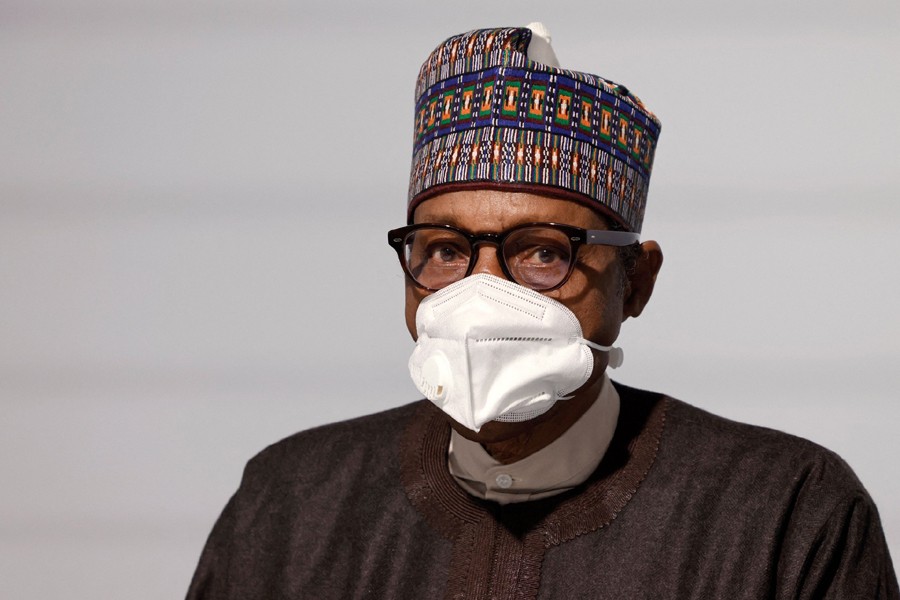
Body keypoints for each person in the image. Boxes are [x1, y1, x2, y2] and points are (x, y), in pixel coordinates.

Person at [186, 24, 898, 599]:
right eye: (442, 249)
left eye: (542, 252)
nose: (480, 294)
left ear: (636, 282)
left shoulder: (782, 512)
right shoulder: (292, 503)